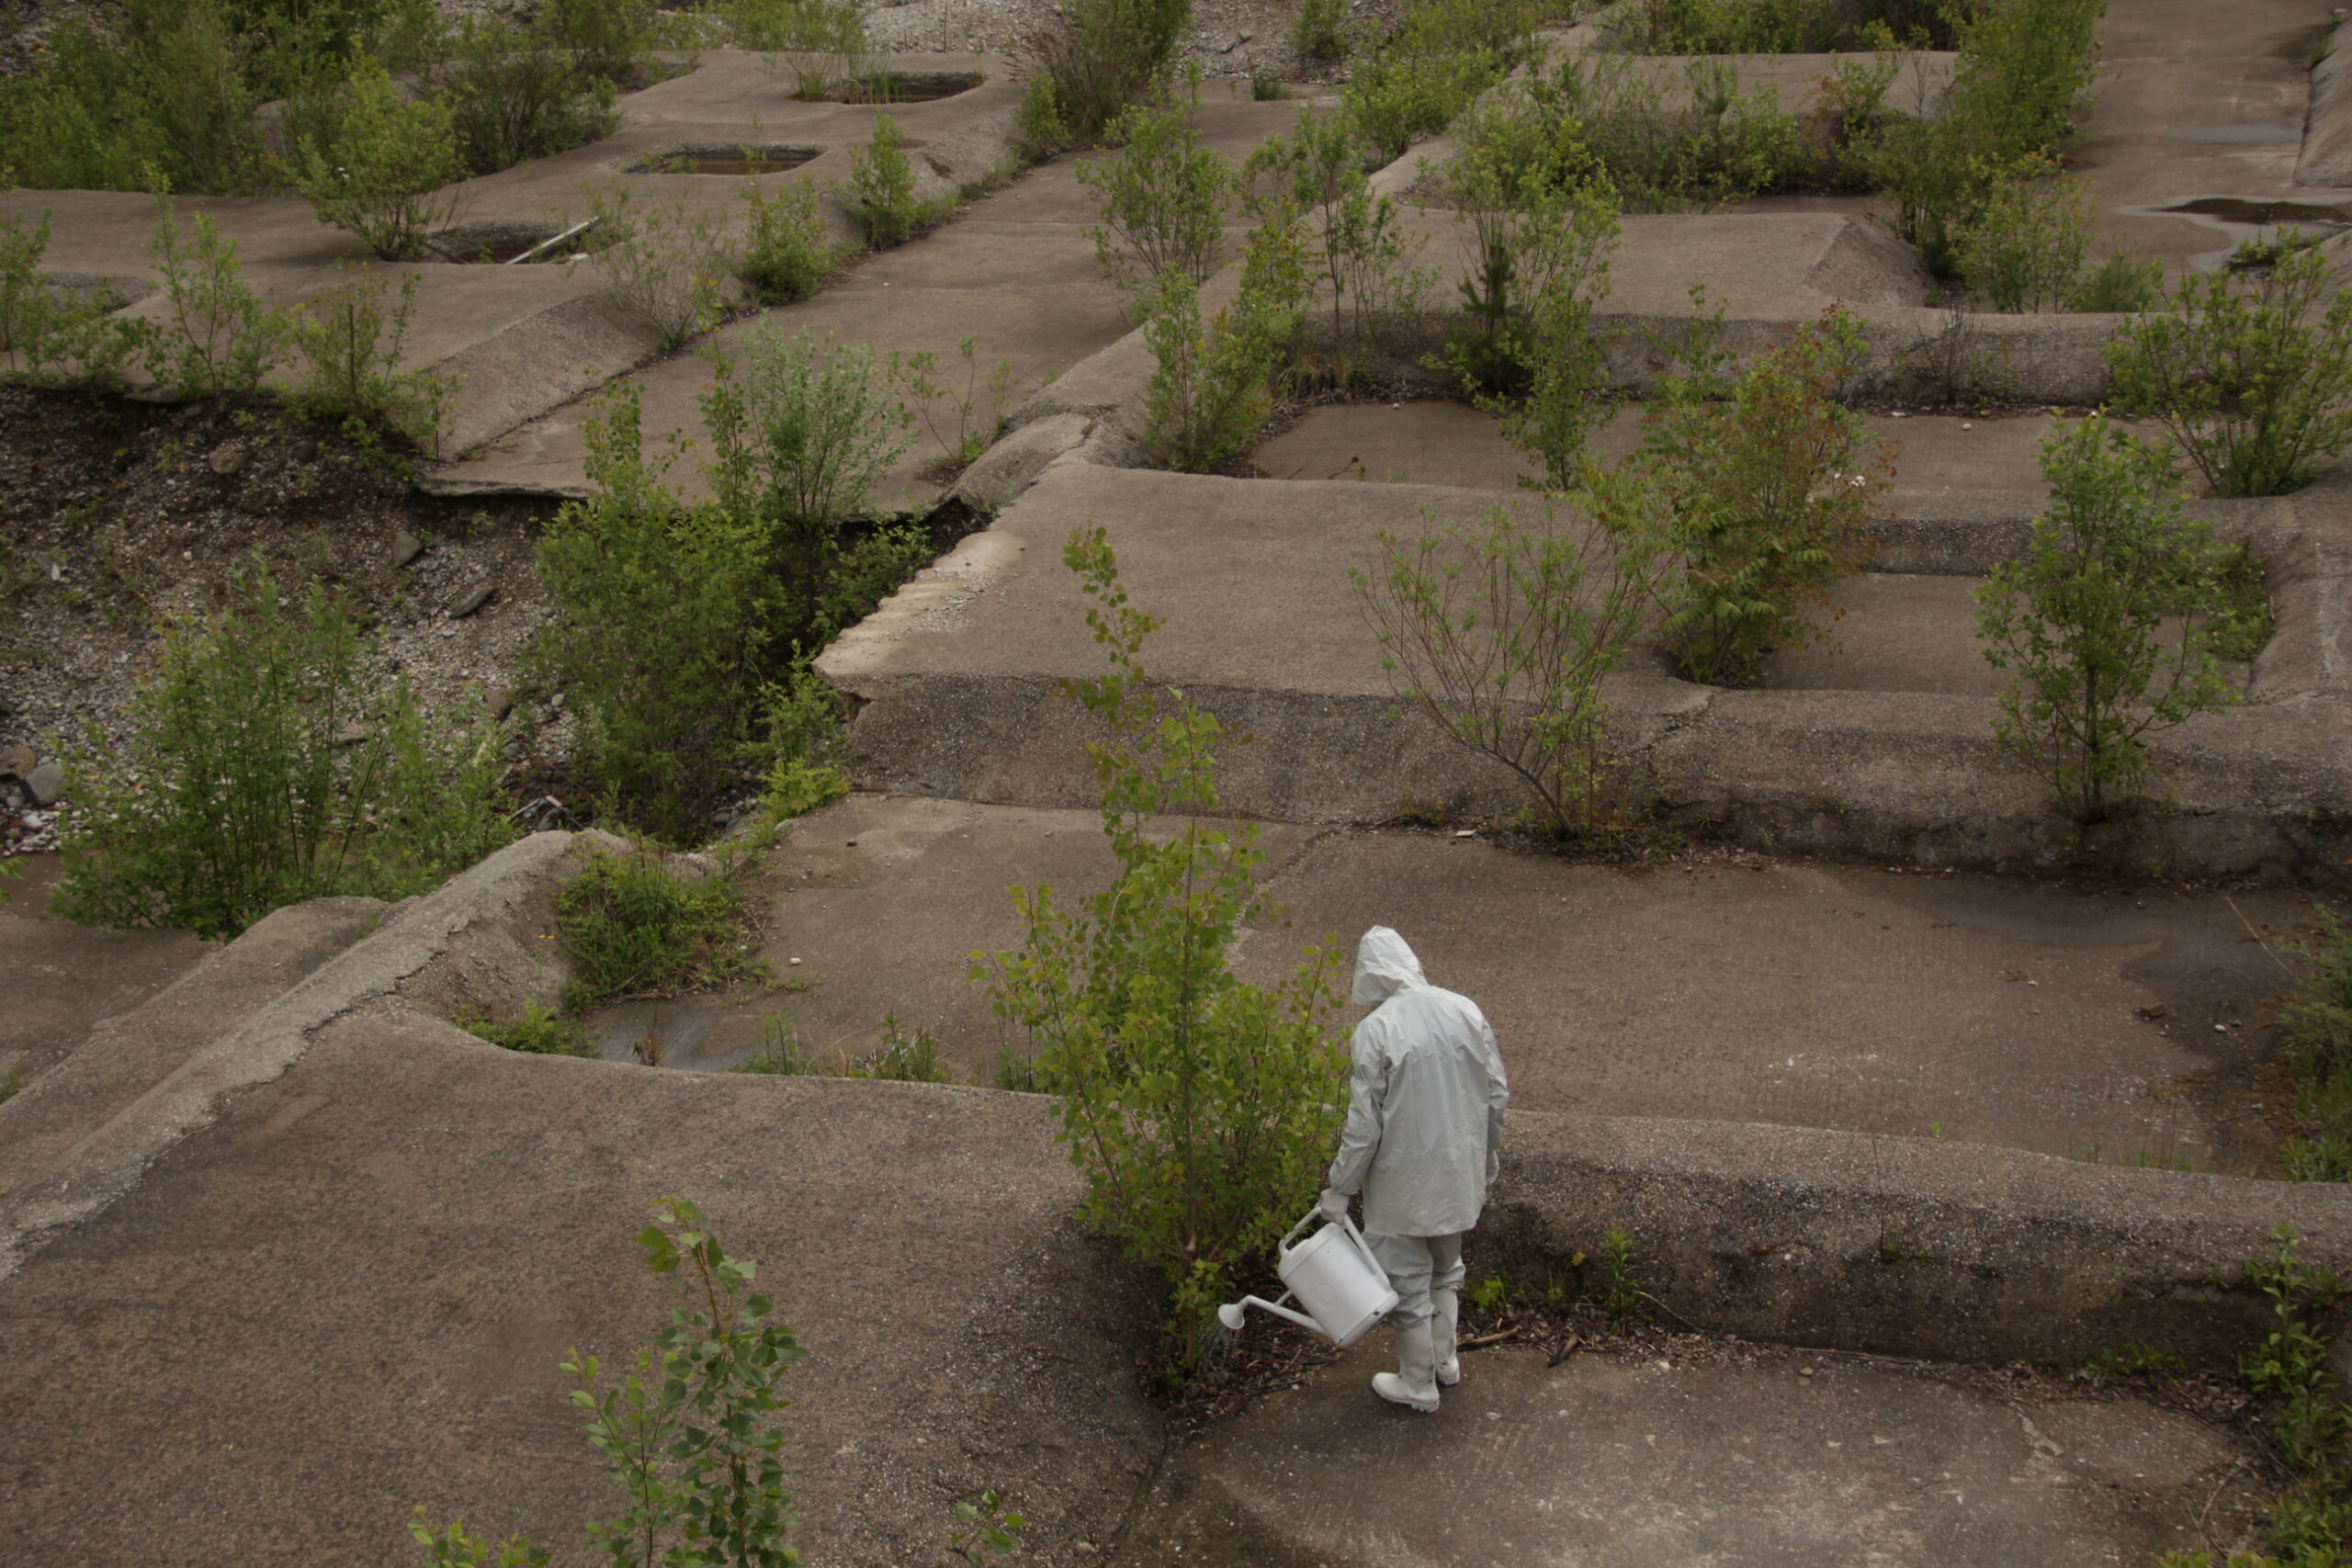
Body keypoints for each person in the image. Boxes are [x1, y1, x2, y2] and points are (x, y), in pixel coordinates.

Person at [1318, 926, 1509, 1414]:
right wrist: (1487, 1150)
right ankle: (1446, 1362)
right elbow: (1495, 1092)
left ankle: (1418, 1383)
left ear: (1372, 975)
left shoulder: (1377, 1030)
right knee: (1446, 1270)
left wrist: (1341, 1187)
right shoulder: (1464, 1009)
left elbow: (1365, 1127)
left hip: (1402, 1183)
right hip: (1456, 1175)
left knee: (1406, 1283)